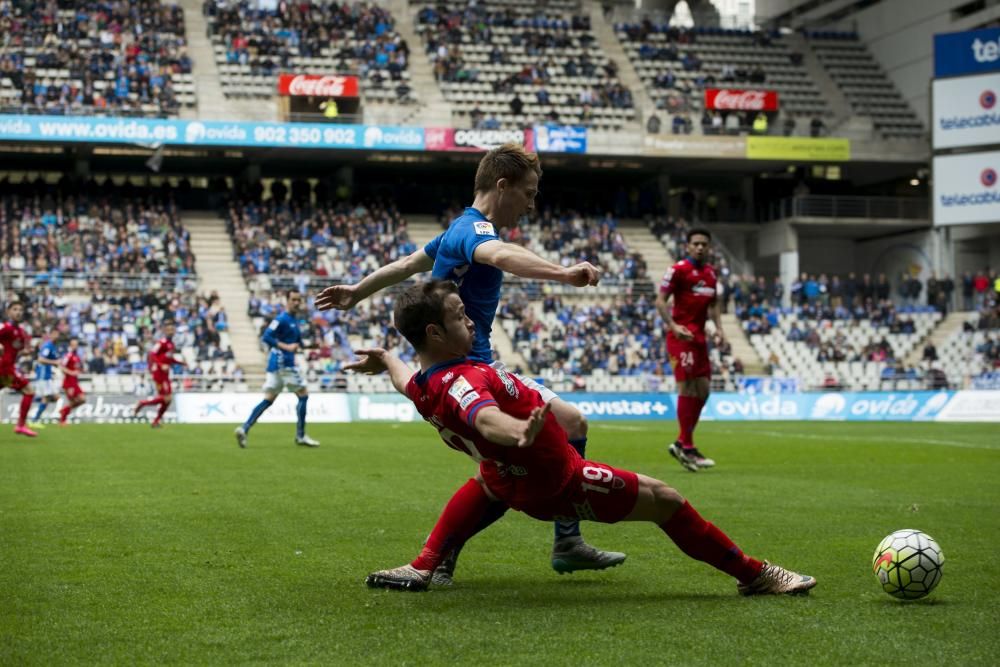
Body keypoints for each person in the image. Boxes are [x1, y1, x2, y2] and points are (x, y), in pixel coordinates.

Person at [348, 280, 817, 596]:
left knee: (490, 481)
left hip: (505, 476)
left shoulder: (426, 383)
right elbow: (486, 420)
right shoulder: (466, 383)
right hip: (558, 484)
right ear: (434, 331)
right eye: (458, 316)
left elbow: (404, 378)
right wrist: (520, 430)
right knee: (667, 500)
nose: (471, 320)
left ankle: (426, 563)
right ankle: (755, 575)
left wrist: (387, 357)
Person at [315, 143, 623, 583]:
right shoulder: (475, 232)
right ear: (502, 185)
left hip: (461, 370)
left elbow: (405, 264)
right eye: (528, 193)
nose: (531, 205)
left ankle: (556, 540)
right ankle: (481, 550)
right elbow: (499, 256)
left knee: (549, 439)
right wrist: (563, 272)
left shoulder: (455, 232)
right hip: (469, 373)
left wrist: (357, 291)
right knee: (509, 471)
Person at [655, 227, 724, 472]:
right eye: (695, 243)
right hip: (680, 337)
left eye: (704, 244)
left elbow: (715, 304)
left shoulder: (711, 274)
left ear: (709, 247)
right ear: (688, 246)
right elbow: (660, 301)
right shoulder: (678, 270)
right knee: (688, 387)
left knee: (704, 390)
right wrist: (673, 326)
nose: (700, 247)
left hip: (699, 339)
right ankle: (686, 445)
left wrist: (719, 329)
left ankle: (684, 443)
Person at [235, 290, 319, 448]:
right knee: (303, 394)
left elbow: (297, 343)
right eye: (293, 299)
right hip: (283, 363)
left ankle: (244, 428)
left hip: (277, 365)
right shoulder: (281, 319)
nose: (296, 302)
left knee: (268, 399)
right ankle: (300, 436)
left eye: (298, 300)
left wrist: (310, 346)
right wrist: (286, 346)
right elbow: (266, 337)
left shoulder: (295, 320)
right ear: (286, 300)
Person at [133, 320, 186, 428]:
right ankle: (142, 403)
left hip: (165, 374)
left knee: (168, 400)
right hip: (158, 372)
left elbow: (169, 359)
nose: (171, 331)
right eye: (169, 329)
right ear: (165, 331)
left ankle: (156, 421)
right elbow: (152, 355)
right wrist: (161, 365)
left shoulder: (171, 344)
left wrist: (181, 363)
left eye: (173, 329)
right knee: (166, 398)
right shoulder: (161, 342)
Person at [0, 301, 38, 437]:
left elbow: (14, 351)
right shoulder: (5, 328)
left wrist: (25, 352)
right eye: (14, 309)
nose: (18, 312)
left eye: (20, 310)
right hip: (3, 369)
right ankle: (20, 425)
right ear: (8, 312)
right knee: (29, 391)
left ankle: (21, 425)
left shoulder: (21, 333)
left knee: (29, 391)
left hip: (6, 369)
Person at [31, 332, 61, 424]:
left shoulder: (52, 346)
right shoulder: (48, 345)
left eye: (58, 335)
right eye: (55, 334)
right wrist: (54, 362)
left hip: (47, 376)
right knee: (48, 397)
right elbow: (41, 359)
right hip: (44, 376)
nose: (57, 336)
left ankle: (35, 418)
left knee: (53, 397)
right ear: (51, 335)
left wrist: (55, 364)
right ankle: (35, 419)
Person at [58, 338, 86, 425]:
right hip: (68, 381)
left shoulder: (77, 356)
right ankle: (62, 420)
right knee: (72, 401)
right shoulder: (68, 355)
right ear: (70, 345)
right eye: (73, 344)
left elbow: (78, 368)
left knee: (82, 399)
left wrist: (81, 369)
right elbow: (61, 367)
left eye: (76, 344)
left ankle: (64, 411)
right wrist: (70, 372)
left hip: (75, 382)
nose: (75, 346)